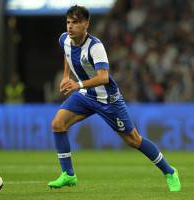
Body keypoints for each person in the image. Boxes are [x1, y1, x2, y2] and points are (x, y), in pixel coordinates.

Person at [48, 5, 181, 192]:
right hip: (86, 96)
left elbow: (103, 77)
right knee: (58, 124)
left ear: (86, 24)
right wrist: (65, 76)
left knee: (133, 140)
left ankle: (169, 171)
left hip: (107, 100)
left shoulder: (95, 47)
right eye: (68, 22)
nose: (70, 26)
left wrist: (77, 85)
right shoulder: (65, 39)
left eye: (75, 23)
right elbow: (67, 54)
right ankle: (68, 175)